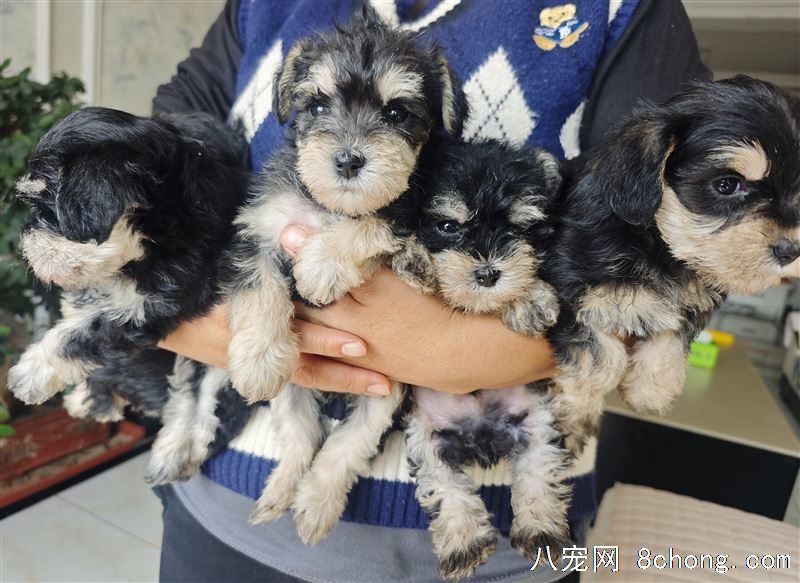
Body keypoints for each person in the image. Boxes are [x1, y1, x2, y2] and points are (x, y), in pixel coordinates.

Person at [151, 1, 710, 581]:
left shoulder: (623, 10)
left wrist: (466, 354)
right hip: (223, 505)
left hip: (507, 533)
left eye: (396, 114)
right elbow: (149, 169)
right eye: (317, 105)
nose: (350, 148)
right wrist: (201, 320)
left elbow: (695, 231)